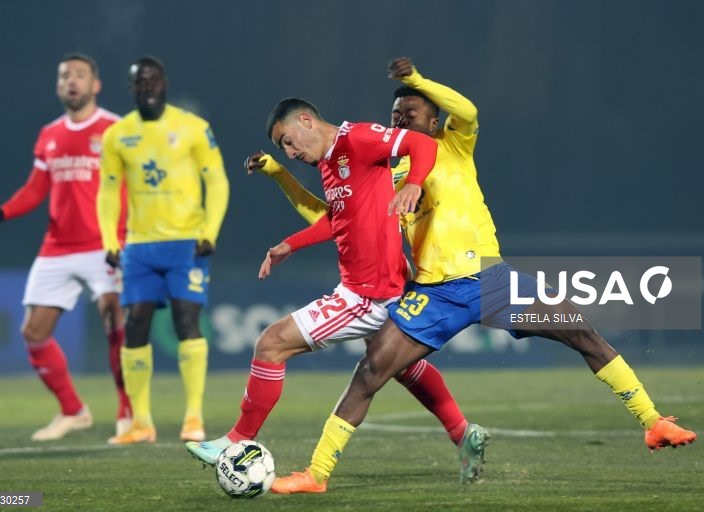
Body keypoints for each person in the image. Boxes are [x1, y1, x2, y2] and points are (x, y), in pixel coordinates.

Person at [269, 57, 697, 494]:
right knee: (370, 371)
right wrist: (281, 178)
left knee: (581, 332)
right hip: (434, 292)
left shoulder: (455, 143)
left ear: (435, 118)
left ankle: (653, 422)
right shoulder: (388, 168)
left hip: (491, 283)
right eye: (395, 115)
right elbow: (335, 216)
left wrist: (417, 80)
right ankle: (316, 475)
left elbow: (469, 110)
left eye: (411, 112)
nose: (400, 119)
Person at [187, 98, 484, 478]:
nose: (292, 153)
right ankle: (463, 433)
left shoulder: (358, 139)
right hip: (384, 285)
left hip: (367, 294)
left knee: (271, 343)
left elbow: (422, 144)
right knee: (402, 366)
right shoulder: (331, 163)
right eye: (285, 150)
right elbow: (338, 221)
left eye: (289, 142)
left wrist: (411, 184)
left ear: (307, 121)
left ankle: (238, 438)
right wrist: (289, 244)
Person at [0, 53, 131, 441]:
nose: (71, 81)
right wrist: (0, 213)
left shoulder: (116, 129)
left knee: (115, 320)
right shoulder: (49, 134)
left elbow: (136, 186)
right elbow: (37, 189)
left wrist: (129, 237)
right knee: (34, 332)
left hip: (106, 242)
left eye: (80, 75)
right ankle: (73, 411)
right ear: (58, 86)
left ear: (96, 85)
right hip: (57, 246)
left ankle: (128, 411)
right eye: (64, 76)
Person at [97, 56, 229, 445]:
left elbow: (217, 181)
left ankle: (193, 418)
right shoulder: (118, 135)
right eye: (140, 82)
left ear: (164, 83)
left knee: (186, 321)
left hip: (186, 242)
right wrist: (109, 238)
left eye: (152, 81)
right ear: (132, 88)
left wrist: (210, 231)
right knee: (134, 325)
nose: (147, 87)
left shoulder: (193, 128)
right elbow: (107, 191)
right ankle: (141, 423)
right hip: (139, 245)